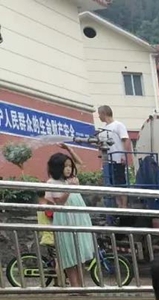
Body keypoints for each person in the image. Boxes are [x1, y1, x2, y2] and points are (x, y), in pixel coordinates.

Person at [45, 151, 94, 288]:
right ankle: (74, 285)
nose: (69, 169)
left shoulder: (72, 179)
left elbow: (80, 163)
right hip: (65, 219)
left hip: (79, 218)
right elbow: (59, 203)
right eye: (65, 166)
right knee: (69, 253)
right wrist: (69, 189)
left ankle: (82, 286)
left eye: (69, 166)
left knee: (80, 252)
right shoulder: (52, 182)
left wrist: (68, 148)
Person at [97, 105, 133, 210]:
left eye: (99, 114)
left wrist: (124, 155)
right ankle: (118, 204)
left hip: (117, 158)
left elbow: (126, 139)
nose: (99, 117)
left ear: (104, 113)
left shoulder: (118, 125)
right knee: (113, 183)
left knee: (120, 182)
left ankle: (124, 205)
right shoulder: (102, 130)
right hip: (108, 160)